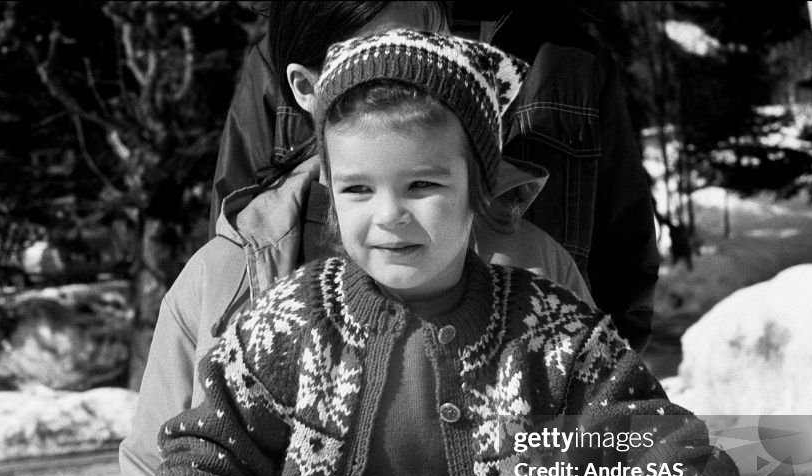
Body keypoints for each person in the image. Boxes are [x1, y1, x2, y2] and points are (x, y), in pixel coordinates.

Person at [154, 29, 759, 476]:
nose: (389, 215)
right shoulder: (296, 320)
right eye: (358, 189)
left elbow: (636, 428)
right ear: (329, 186)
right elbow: (217, 434)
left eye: (422, 185)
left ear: (483, 187)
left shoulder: (543, 329)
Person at [208, 2, 660, 352]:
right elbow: (245, 233)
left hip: (528, 377)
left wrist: (582, 421)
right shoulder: (299, 32)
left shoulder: (565, 51)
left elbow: (622, 252)